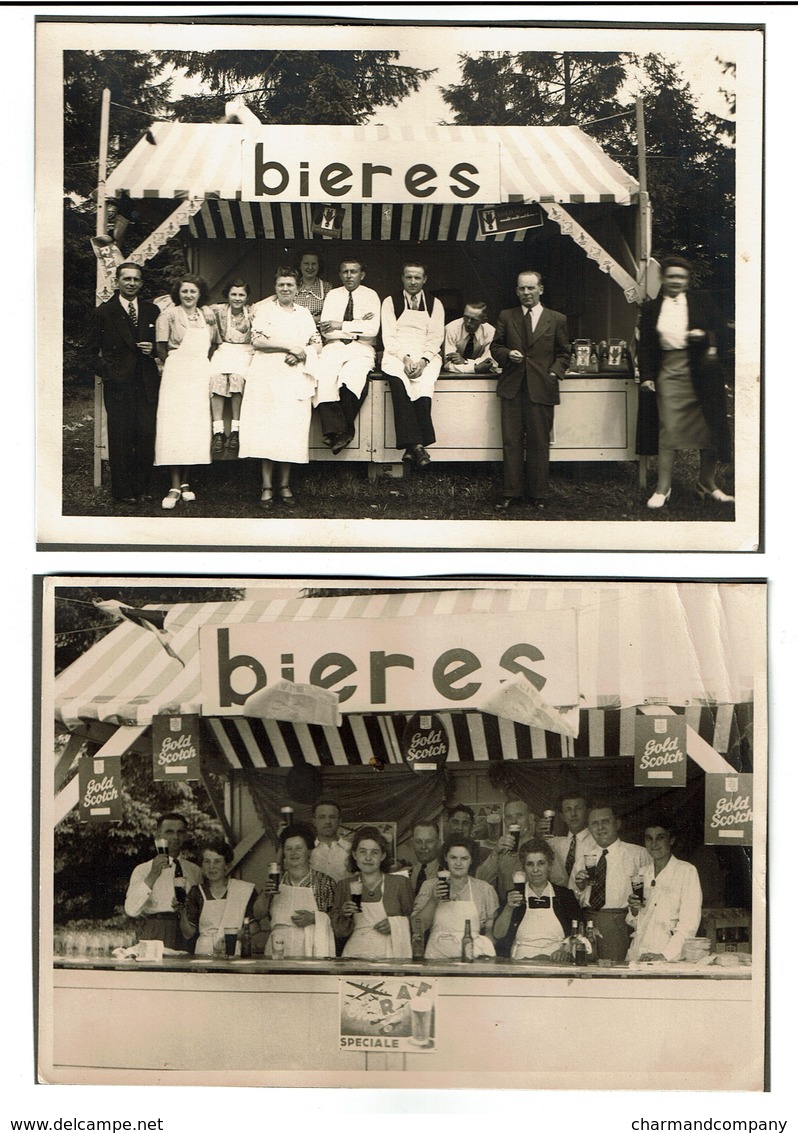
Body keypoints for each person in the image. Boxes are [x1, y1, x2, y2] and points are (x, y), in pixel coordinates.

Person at [637, 255, 733, 509]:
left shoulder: (702, 301)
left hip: (702, 374)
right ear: (662, 279)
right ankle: (662, 489)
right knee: (669, 429)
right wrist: (646, 376)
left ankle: (707, 483)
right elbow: (645, 346)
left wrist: (704, 336)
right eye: (671, 276)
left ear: (687, 280)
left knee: (709, 428)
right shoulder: (650, 309)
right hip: (669, 373)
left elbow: (724, 331)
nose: (676, 281)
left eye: (681, 277)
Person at [238, 267, 322, 509]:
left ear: (297, 289)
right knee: (267, 430)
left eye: (290, 285)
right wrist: (291, 347)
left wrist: (301, 353)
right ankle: (266, 486)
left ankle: (284, 485)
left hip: (294, 376)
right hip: (267, 376)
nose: (285, 289)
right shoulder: (265, 311)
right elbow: (258, 341)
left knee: (289, 431)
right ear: (275, 287)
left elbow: (317, 344)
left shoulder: (304, 313)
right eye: (281, 285)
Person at [490, 270, 570, 512]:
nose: (526, 292)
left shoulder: (556, 319)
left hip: (542, 387)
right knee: (511, 442)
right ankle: (511, 493)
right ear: (516, 291)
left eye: (531, 288)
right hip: (512, 387)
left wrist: (554, 373)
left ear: (540, 289)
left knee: (539, 442)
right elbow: (495, 346)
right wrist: (506, 355)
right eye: (521, 288)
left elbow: (565, 353)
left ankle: (539, 494)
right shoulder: (507, 316)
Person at [83, 261, 161, 503]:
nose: (131, 283)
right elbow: (86, 353)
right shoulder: (104, 312)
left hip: (146, 383)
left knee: (146, 435)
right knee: (121, 437)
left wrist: (154, 350)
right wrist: (110, 372)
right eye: (126, 279)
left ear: (142, 283)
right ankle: (123, 491)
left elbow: (164, 347)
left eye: (136, 279)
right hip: (119, 385)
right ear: (117, 282)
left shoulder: (152, 311)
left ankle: (143, 487)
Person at [154, 273, 218, 510]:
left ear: (199, 294)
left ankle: (186, 483)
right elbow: (161, 348)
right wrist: (177, 365)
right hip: (177, 373)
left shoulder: (207, 315)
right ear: (178, 294)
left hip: (200, 373)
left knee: (194, 427)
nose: (189, 295)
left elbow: (214, 345)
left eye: (193, 291)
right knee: (174, 427)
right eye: (184, 291)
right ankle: (173, 485)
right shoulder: (168, 315)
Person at [380, 261, 445, 469]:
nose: (413, 281)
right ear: (402, 278)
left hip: (426, 354)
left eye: (417, 277)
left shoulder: (435, 304)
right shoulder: (391, 302)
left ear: (424, 279)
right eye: (409, 277)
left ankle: (412, 448)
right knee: (401, 385)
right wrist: (406, 358)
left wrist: (424, 361)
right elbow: (389, 336)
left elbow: (435, 337)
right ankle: (418, 446)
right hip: (397, 353)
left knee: (423, 386)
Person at [314, 259, 381, 453]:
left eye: (353, 272)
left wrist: (340, 325)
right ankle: (339, 432)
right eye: (345, 272)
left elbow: (372, 330)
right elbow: (326, 330)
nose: (349, 276)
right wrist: (357, 325)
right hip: (334, 346)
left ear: (362, 274)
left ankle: (339, 433)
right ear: (340, 274)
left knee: (350, 379)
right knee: (324, 377)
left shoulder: (371, 296)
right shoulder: (334, 295)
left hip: (361, 348)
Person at [573, 802, 650, 961]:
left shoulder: (638, 854)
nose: (600, 828)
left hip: (619, 923)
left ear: (617, 823)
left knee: (615, 972)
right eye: (594, 823)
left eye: (605, 821)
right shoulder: (583, 857)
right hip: (588, 922)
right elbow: (572, 897)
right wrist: (579, 887)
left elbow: (649, 894)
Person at [253, 823, 336, 958]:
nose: (293, 853)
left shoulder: (324, 882)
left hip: (310, 949)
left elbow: (337, 918)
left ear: (308, 851)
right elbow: (258, 914)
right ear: (284, 852)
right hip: (277, 948)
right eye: (289, 849)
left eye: (298, 848)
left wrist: (315, 918)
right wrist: (265, 896)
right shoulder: (275, 882)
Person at [331, 826, 413, 958]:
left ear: (383, 856)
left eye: (374, 852)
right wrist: (344, 914)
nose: (368, 858)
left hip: (391, 954)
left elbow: (414, 920)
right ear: (354, 855)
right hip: (354, 954)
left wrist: (395, 924)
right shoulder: (344, 886)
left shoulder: (400, 883)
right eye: (362, 852)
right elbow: (339, 932)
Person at [626, 821, 703, 962]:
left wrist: (664, 955)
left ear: (671, 839)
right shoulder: (643, 872)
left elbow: (689, 924)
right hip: (639, 951)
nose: (654, 844)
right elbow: (637, 922)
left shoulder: (686, 871)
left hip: (669, 954)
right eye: (649, 838)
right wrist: (634, 910)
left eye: (660, 837)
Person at [492, 838, 581, 960]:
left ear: (549, 866)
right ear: (523, 868)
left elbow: (580, 932)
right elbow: (498, 934)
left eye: (541, 863)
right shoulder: (514, 895)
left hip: (557, 961)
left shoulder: (565, 896)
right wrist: (508, 908)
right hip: (521, 961)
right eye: (530, 864)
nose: (535, 870)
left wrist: (565, 950)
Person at [412, 835, 498, 959]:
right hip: (436, 959)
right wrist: (433, 901)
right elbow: (416, 927)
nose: (458, 863)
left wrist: (481, 952)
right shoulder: (429, 886)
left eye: (464, 858)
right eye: (453, 857)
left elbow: (492, 931)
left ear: (472, 860)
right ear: (445, 858)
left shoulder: (484, 889)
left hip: (472, 958)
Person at [124, 812, 202, 949]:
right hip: (156, 931)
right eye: (169, 832)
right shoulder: (143, 869)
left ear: (185, 836)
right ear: (158, 835)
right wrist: (154, 874)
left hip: (188, 932)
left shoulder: (194, 870)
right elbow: (131, 910)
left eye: (180, 832)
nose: (175, 837)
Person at [179, 838, 256, 956]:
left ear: (226, 865)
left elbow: (254, 927)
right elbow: (188, 933)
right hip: (204, 953)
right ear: (202, 866)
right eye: (207, 861)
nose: (211, 867)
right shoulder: (196, 892)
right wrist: (182, 911)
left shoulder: (243, 890)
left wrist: (232, 937)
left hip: (234, 950)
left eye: (217, 861)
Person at [207, 279, 254, 457]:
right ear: (227, 295)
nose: (237, 298)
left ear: (247, 296)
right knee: (217, 377)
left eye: (241, 294)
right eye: (233, 294)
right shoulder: (218, 310)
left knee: (237, 377)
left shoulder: (252, 311)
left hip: (245, 351)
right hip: (225, 349)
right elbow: (199, 307)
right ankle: (218, 432)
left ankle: (235, 430)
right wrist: (204, 309)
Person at [476, 798, 538, 902]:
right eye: (509, 817)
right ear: (505, 822)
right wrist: (495, 852)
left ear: (530, 818)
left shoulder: (543, 848)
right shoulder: (502, 851)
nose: (514, 821)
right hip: (508, 913)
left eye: (519, 815)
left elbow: (561, 882)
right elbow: (480, 881)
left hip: (536, 912)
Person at [540, 792, 600, 887]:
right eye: (568, 810)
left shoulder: (598, 842)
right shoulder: (555, 844)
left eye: (578, 808)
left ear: (588, 812)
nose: (573, 814)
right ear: (562, 816)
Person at [443, 302, 498, 374]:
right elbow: (448, 365)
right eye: (466, 317)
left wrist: (466, 361)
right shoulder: (451, 328)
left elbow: (491, 363)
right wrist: (475, 368)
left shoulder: (490, 332)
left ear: (483, 320)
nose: (468, 323)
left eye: (473, 320)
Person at [309, 798, 351, 882]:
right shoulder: (307, 850)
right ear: (314, 822)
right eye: (322, 817)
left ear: (339, 821)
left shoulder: (350, 849)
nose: (328, 821)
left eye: (332, 817)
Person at [443, 805, 492, 873]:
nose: (460, 827)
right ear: (448, 824)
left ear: (472, 826)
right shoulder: (439, 853)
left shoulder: (485, 854)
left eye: (465, 823)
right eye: (455, 822)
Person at [294, 251, 332, 326]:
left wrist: (299, 318)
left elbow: (329, 318)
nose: (310, 267)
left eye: (314, 264)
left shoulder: (327, 288)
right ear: (300, 266)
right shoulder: (292, 286)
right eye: (306, 264)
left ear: (318, 266)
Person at [409, 820, 442, 898]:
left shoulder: (447, 875)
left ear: (438, 843)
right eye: (418, 841)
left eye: (429, 841)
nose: (423, 847)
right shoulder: (404, 876)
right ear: (412, 843)